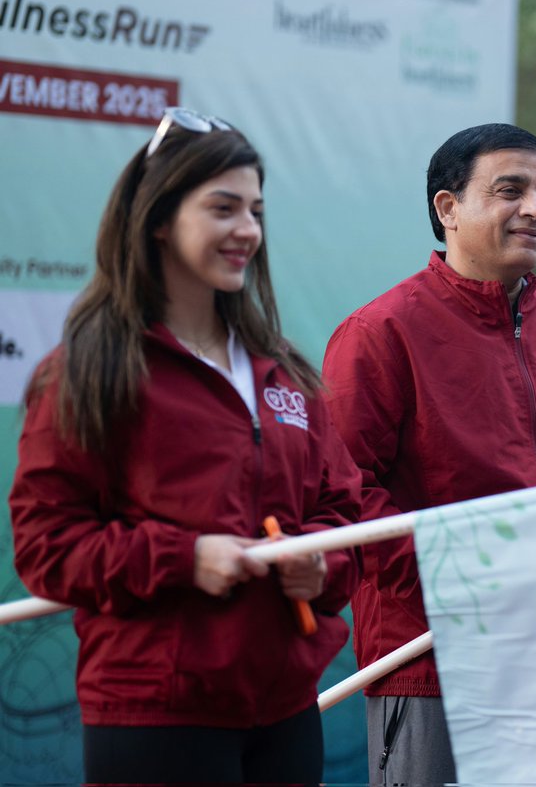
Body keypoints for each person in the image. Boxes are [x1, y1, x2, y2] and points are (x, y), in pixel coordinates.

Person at [8, 108, 362, 785]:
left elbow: (343, 509)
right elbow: (46, 544)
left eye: (256, 211)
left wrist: (321, 564)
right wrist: (185, 558)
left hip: (287, 708)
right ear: (160, 219)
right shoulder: (90, 370)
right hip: (155, 714)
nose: (247, 230)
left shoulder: (283, 370)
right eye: (223, 208)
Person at [321, 122, 536, 787]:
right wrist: (466, 583)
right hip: (436, 661)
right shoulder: (381, 333)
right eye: (510, 190)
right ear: (448, 208)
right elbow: (345, 493)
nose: (534, 209)